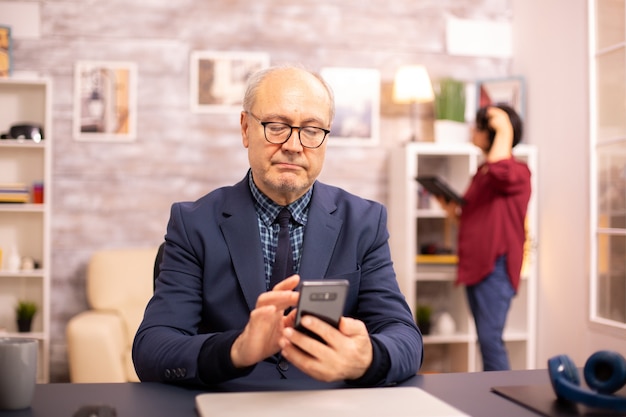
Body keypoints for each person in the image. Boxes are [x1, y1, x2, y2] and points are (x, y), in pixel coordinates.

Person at [132, 65, 422, 387]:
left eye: (312, 130)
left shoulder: (365, 222)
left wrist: (368, 358)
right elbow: (153, 347)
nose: (294, 146)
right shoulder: (193, 223)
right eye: (276, 126)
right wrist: (237, 349)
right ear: (245, 128)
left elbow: (404, 336)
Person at [437, 103, 530, 371]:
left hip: (495, 266)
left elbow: (502, 171)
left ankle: (503, 407)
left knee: (490, 341)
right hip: (475, 267)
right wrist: (451, 210)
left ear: (493, 133)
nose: (472, 131)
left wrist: (504, 128)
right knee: (485, 340)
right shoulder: (483, 173)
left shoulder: (516, 171)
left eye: (478, 127)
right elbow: (473, 217)